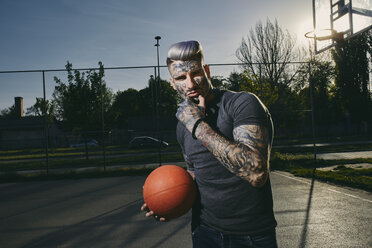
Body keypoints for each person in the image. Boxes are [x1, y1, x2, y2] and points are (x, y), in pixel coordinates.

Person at [141, 40, 278, 248]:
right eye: (180, 77)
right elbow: (195, 174)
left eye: (195, 73)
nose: (190, 84)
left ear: (206, 70)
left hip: (251, 235)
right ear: (172, 82)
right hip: (205, 231)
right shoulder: (182, 126)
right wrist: (169, 202)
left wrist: (197, 125)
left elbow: (257, 172)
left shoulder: (242, 104)